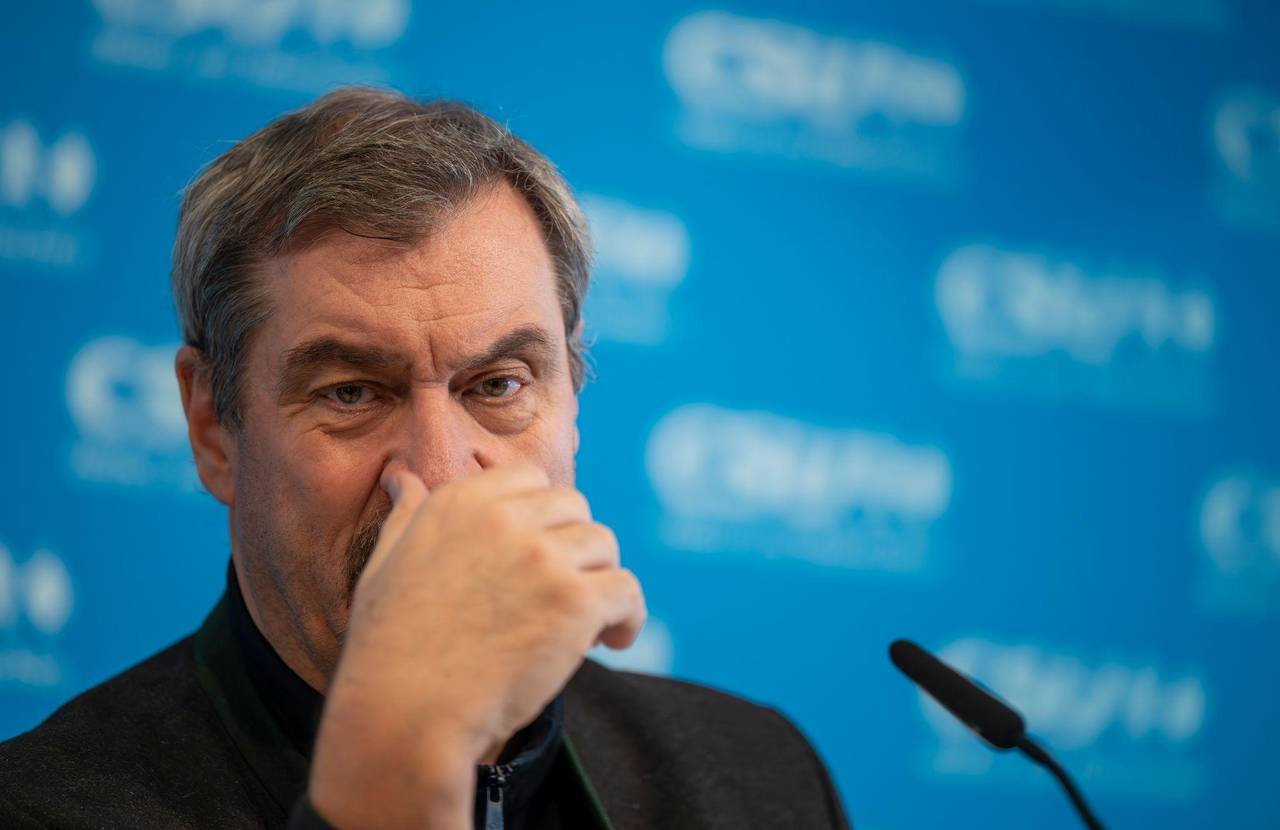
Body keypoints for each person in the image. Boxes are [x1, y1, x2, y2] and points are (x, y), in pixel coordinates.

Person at [0, 86, 851, 830]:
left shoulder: (757, 778)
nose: (441, 476)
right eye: (351, 393)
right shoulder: (43, 808)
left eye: (499, 384)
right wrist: (404, 751)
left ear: (573, 402)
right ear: (212, 428)